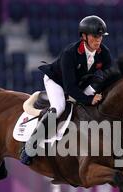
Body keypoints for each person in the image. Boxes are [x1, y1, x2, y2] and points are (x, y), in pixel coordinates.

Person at [20, 15, 113, 165]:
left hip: (80, 84)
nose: (98, 40)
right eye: (95, 36)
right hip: (57, 82)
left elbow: (110, 74)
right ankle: (30, 146)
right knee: (59, 108)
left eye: (101, 36)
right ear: (84, 36)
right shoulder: (70, 53)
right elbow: (70, 88)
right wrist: (89, 99)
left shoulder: (104, 53)